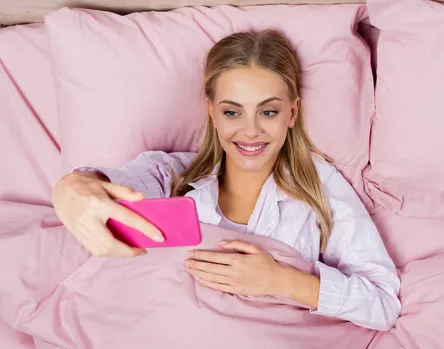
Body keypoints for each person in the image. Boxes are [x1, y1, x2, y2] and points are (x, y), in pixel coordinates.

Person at [52, 30, 401, 331]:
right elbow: (104, 188)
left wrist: (282, 281)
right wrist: (73, 188)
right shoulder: (171, 177)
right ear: (211, 111)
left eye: (268, 111)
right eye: (232, 111)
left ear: (292, 113)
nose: (250, 130)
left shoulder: (319, 186)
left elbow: (382, 303)